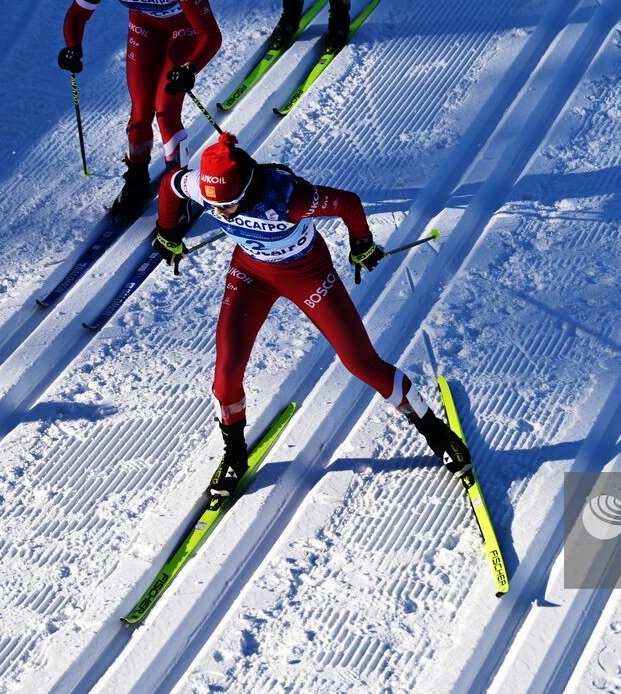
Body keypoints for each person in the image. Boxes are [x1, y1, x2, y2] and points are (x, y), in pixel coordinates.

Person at [153, 133, 470, 509]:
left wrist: (361, 243)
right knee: (225, 373)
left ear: (247, 189)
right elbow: (171, 187)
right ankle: (235, 453)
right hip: (251, 276)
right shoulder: (205, 189)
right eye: (215, 206)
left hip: (309, 276)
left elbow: (349, 204)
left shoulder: (290, 198)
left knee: (361, 363)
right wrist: (167, 229)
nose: (220, 214)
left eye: (230, 205)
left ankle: (434, 431)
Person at [58, 0, 223, 218]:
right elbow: (77, 14)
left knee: (165, 109)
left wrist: (190, 68)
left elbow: (210, 34)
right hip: (144, 28)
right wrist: (73, 47)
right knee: (140, 109)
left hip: (183, 30)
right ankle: (136, 180)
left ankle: (179, 191)